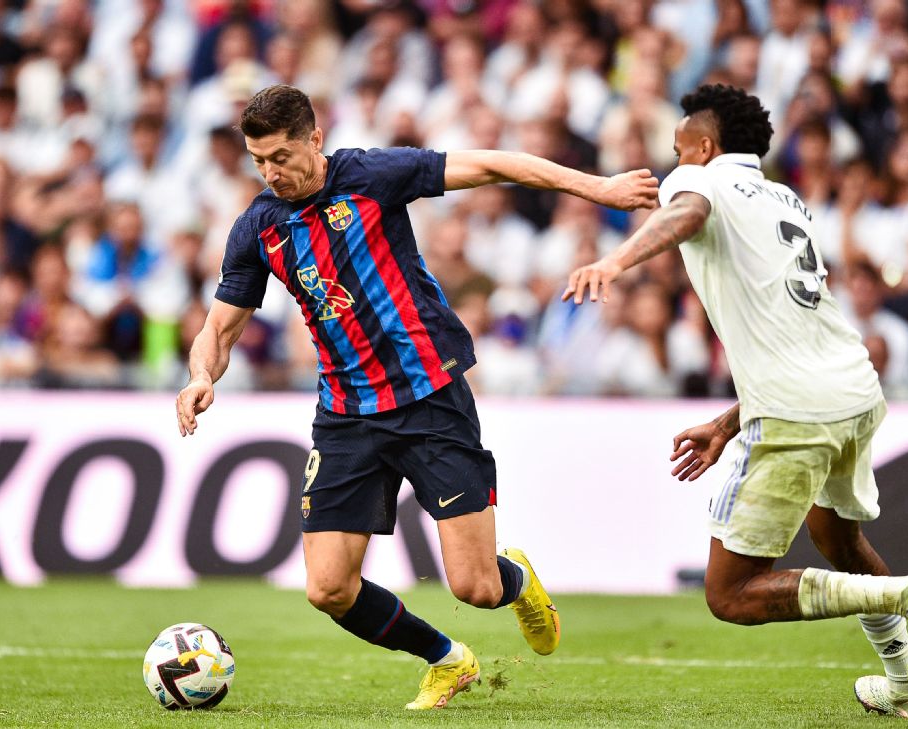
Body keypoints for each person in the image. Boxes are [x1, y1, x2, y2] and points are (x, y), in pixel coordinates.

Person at [175, 84, 659, 710]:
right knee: (327, 589)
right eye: (258, 160)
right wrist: (200, 376)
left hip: (429, 397)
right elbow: (221, 326)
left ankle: (517, 582)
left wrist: (602, 189)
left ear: (315, 139)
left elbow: (493, 164)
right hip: (346, 416)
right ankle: (446, 659)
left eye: (282, 156)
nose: (271, 173)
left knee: (476, 587)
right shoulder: (259, 227)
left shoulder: (373, 175)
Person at [563, 84, 908, 719]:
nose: (673, 165)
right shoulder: (786, 199)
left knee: (730, 595)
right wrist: (729, 421)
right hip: (853, 389)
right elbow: (790, 330)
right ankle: (905, 683)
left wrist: (616, 259)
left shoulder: (702, 182)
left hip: (796, 407)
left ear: (704, 145)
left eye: (677, 151)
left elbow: (685, 213)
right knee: (836, 537)